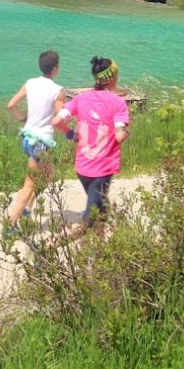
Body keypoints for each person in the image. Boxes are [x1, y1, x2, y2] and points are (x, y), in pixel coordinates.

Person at [55, 56, 129, 235]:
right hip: (102, 170)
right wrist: (126, 132)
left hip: (82, 167)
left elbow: (56, 121)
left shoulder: (81, 99)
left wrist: (71, 135)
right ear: (112, 79)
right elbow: (119, 136)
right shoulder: (118, 104)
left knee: (100, 208)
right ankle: (51, 246)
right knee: (88, 219)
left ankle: (100, 248)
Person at [5, 49, 66, 231]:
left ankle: (27, 208)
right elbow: (60, 116)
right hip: (41, 143)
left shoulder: (30, 83)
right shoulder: (58, 91)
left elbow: (11, 105)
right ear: (55, 69)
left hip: (27, 137)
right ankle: (11, 224)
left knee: (48, 175)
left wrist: (22, 119)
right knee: (30, 184)